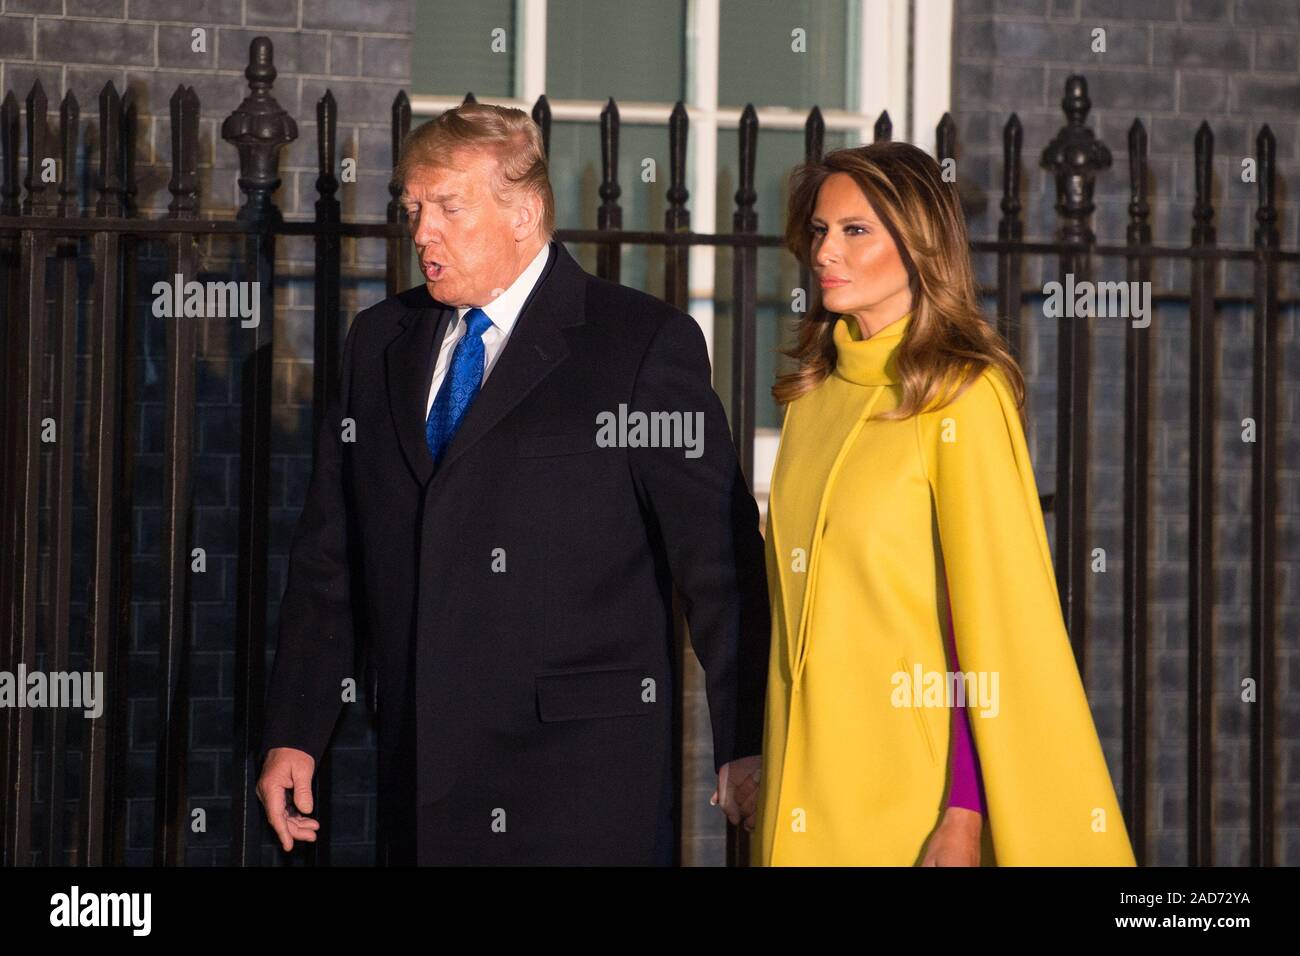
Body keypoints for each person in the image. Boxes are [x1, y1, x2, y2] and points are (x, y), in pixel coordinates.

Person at [256, 102, 769, 865]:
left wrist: (746, 742)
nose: (423, 231)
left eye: (448, 208)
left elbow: (719, 566)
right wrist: (295, 729)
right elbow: (331, 554)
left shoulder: (638, 344)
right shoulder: (378, 343)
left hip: (579, 788)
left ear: (524, 213)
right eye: (413, 210)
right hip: (421, 777)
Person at [753, 141, 1137, 866]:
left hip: (912, 793)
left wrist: (964, 811)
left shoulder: (961, 393)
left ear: (919, 244)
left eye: (855, 230)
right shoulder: (812, 401)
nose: (825, 250)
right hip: (799, 783)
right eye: (819, 231)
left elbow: (991, 621)